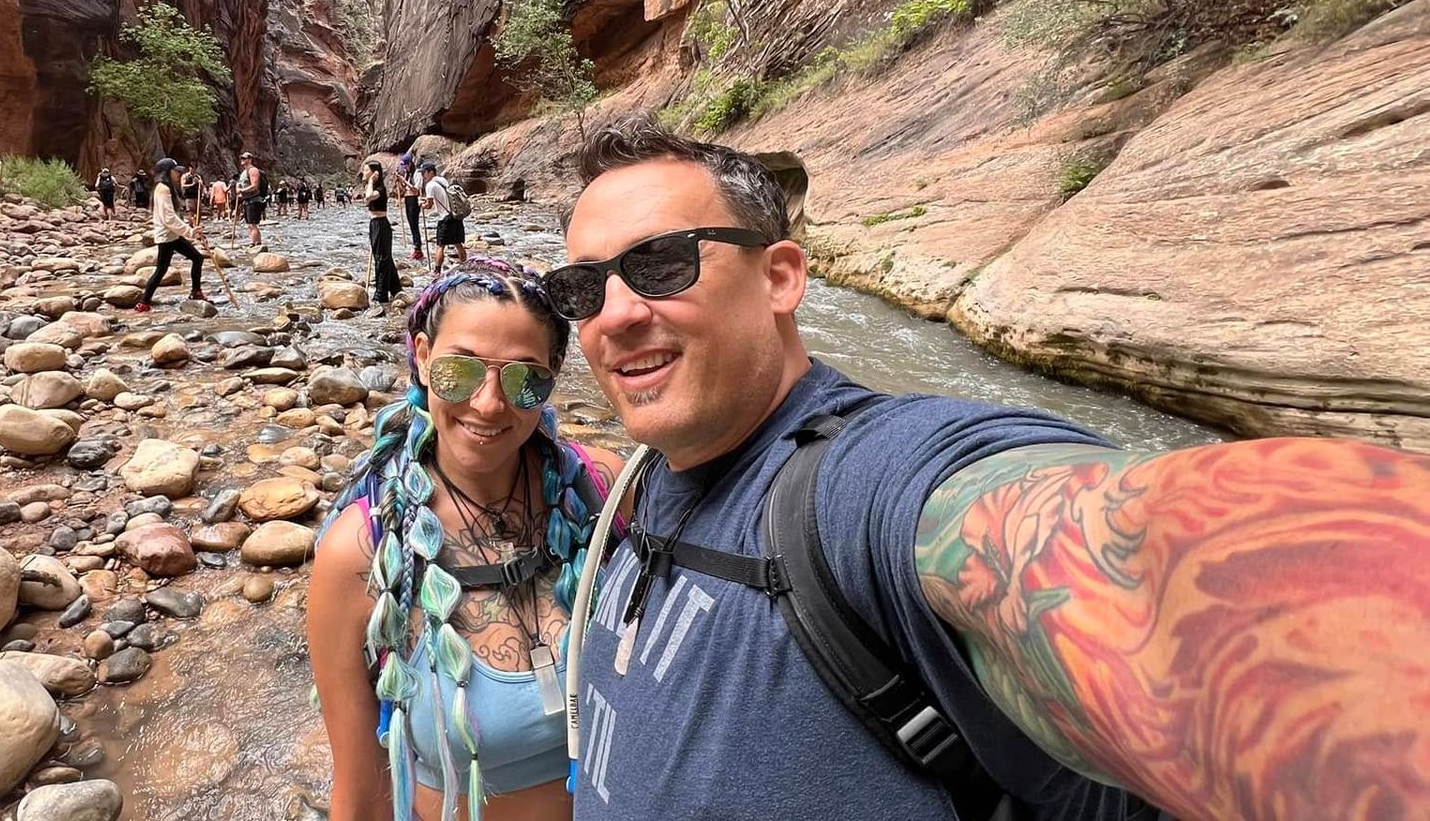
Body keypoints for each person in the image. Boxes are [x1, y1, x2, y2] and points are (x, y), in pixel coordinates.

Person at [551, 120, 1430, 820]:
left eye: (660, 264)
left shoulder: (864, 485)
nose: (615, 316)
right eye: (582, 290)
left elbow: (1133, 559)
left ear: (781, 277)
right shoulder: (648, 476)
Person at [310, 259, 624, 821]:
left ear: (554, 373)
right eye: (461, 371)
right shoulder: (362, 552)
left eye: (524, 378)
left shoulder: (603, 493)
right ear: (424, 359)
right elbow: (360, 798)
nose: (487, 403)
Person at [134, 158, 209, 311]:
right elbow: (168, 218)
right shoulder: (163, 189)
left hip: (172, 235)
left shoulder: (165, 188)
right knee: (161, 269)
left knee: (197, 258)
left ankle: (196, 292)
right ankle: (144, 302)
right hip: (167, 236)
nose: (178, 174)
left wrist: (189, 228)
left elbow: (173, 215)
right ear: (167, 172)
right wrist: (190, 232)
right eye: (176, 171)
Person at [360, 161, 402, 306]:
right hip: (375, 224)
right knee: (386, 258)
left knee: (381, 259)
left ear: (374, 172)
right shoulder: (372, 187)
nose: (364, 173)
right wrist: (369, 182)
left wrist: (371, 181)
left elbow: (369, 196)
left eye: (366, 170)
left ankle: (381, 294)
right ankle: (396, 288)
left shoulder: (380, 188)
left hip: (381, 224)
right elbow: (366, 200)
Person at [423, 161, 466, 273]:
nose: (423, 176)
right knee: (458, 244)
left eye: (424, 173)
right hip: (455, 215)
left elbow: (429, 204)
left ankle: (437, 271)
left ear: (431, 172)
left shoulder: (430, 185)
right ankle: (465, 267)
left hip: (445, 218)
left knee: (440, 245)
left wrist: (422, 205)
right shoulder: (442, 180)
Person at [396, 154, 425, 262]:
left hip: (414, 200)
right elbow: (404, 189)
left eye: (405, 166)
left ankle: (418, 249)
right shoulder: (408, 174)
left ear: (409, 163)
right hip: (407, 199)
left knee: (414, 224)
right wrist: (400, 182)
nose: (405, 168)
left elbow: (415, 189)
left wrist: (403, 179)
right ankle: (416, 248)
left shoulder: (417, 173)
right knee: (411, 224)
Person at [236, 151, 267, 248]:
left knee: (252, 224)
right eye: (242, 158)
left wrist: (242, 190)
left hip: (254, 200)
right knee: (251, 224)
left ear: (250, 160)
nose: (242, 160)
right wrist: (238, 188)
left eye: (245, 158)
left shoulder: (253, 170)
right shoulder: (244, 172)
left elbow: (254, 186)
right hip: (248, 200)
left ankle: (254, 244)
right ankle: (257, 243)